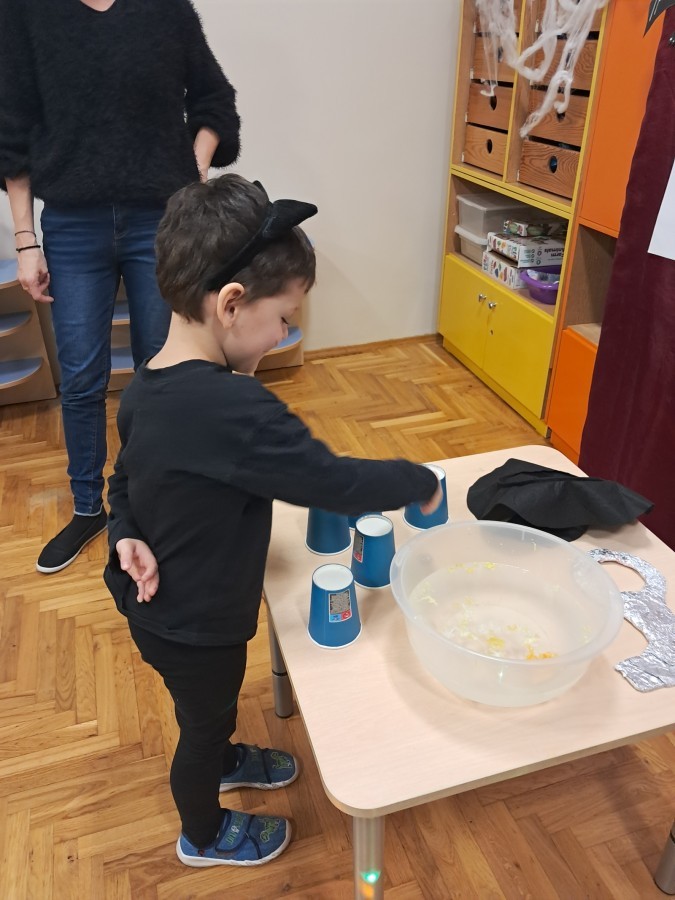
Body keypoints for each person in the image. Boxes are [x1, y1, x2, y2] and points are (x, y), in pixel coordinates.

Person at [103, 174, 443, 867]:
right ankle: (202, 834)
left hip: (160, 610)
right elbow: (333, 482)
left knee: (207, 713)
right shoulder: (233, 410)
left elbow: (123, 480)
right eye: (284, 317)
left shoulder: (147, 386)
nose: (286, 334)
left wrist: (124, 530)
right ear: (231, 303)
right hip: (197, 624)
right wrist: (417, 481)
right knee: (201, 727)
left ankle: (224, 753)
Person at [0, 0, 241, 573]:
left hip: (159, 219)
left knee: (164, 370)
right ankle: (89, 508)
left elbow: (214, 99)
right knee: (82, 377)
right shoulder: (26, 12)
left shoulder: (165, 9)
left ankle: (153, 501)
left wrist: (193, 170)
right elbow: (10, 128)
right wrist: (25, 239)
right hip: (72, 224)